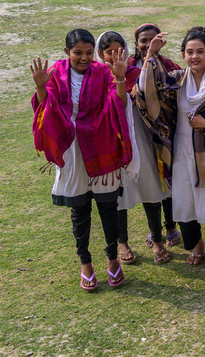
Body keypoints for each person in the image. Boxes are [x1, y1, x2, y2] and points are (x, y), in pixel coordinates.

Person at [31, 29, 133, 290]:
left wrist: (120, 80)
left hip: (102, 145)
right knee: (80, 210)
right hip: (72, 149)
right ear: (67, 52)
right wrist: (41, 87)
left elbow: (118, 105)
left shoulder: (103, 72)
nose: (84, 58)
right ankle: (85, 263)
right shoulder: (57, 71)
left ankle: (112, 260)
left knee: (108, 207)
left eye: (89, 53)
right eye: (78, 53)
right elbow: (47, 107)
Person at [136, 27, 205, 266]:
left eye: (200, 52)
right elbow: (145, 89)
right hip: (182, 152)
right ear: (183, 55)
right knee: (184, 202)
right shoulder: (176, 80)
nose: (195, 57)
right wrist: (150, 56)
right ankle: (196, 245)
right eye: (190, 52)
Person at [96, 32, 172, 266]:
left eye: (120, 51)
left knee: (150, 189)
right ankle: (123, 242)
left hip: (140, 139)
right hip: (112, 144)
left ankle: (157, 240)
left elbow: (151, 95)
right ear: (100, 54)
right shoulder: (96, 78)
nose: (115, 56)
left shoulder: (135, 74)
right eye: (109, 52)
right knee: (118, 195)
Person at [128, 23, 181, 249]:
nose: (149, 45)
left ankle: (170, 226)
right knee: (149, 181)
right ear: (136, 43)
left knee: (167, 179)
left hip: (164, 134)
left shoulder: (169, 66)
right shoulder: (129, 67)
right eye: (144, 41)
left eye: (153, 40)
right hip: (140, 134)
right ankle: (154, 230)